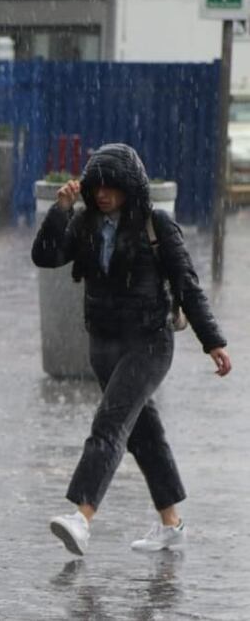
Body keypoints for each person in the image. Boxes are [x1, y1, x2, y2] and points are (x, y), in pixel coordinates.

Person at [31, 143, 232, 556]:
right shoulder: (85, 222)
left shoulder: (155, 224)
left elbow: (186, 284)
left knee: (109, 425)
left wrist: (212, 341)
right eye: (96, 186)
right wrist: (60, 211)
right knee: (144, 435)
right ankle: (172, 525)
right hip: (104, 344)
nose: (103, 193)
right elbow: (46, 257)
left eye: (112, 186)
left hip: (149, 343)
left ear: (129, 187)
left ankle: (81, 516)